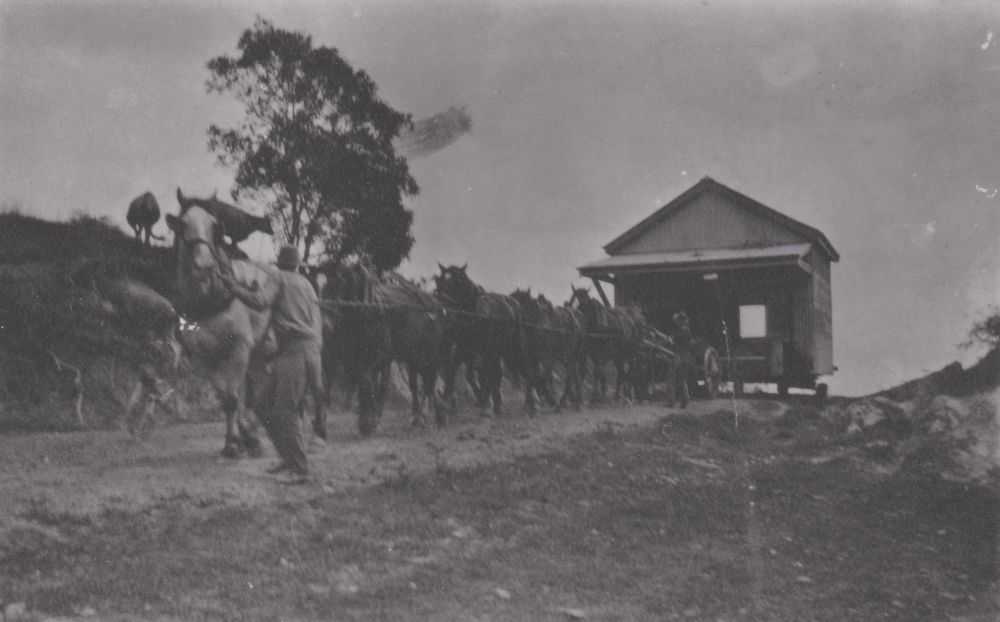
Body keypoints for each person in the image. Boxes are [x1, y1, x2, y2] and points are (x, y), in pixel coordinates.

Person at [220, 245, 324, 484]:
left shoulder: (277, 277)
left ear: (279, 263)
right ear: (298, 264)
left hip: (295, 351)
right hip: (306, 350)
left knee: (285, 410)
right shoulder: (306, 283)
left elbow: (258, 302)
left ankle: (299, 468)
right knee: (261, 404)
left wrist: (233, 286)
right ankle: (288, 458)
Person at [670, 311, 693, 409]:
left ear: (680, 321)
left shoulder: (679, 331)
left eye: (678, 321)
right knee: (681, 379)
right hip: (686, 356)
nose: (676, 322)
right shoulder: (687, 330)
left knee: (674, 378)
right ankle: (684, 400)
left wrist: (669, 339)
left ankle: (675, 401)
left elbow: (673, 342)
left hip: (679, 356)